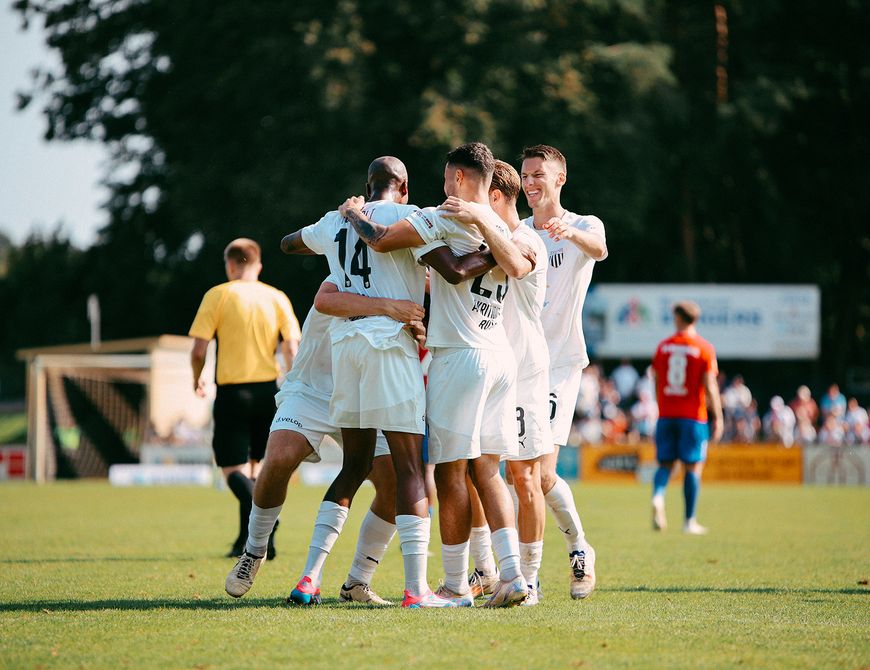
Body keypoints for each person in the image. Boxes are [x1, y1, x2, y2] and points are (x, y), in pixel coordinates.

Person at [340, 142, 534, 608]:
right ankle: (513, 578)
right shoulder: (513, 232)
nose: (443, 187)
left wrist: (353, 214)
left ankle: (453, 584)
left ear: (462, 179)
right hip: (500, 356)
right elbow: (514, 265)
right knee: (489, 471)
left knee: (448, 475)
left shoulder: (439, 217)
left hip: (460, 357)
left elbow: (382, 240)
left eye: (449, 178)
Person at [277, 157, 457, 609]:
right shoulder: (409, 219)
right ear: (404, 186)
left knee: (353, 468)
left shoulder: (334, 221)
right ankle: (416, 591)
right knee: (410, 470)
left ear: (367, 185)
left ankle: (308, 579)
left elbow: (287, 244)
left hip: (347, 351)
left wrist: (336, 225)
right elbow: (452, 268)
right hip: (388, 349)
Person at [224, 276, 425, 605]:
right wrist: (391, 308)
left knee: (393, 483)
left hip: (366, 394)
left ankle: (357, 582)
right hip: (313, 392)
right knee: (279, 457)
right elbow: (325, 299)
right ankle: (254, 551)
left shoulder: (405, 280)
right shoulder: (345, 272)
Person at [439, 159, 552, 606]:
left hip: (520, 370)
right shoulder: (488, 235)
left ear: (495, 197)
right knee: (480, 472)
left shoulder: (525, 238)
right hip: (496, 362)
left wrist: (478, 217)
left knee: (524, 477)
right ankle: (496, 572)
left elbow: (516, 265)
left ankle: (526, 575)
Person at [520, 144, 607, 599]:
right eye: (525, 175)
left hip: (559, 366)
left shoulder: (583, 225)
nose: (530, 182)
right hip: (518, 366)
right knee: (524, 475)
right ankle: (499, 571)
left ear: (560, 179)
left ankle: (570, 553)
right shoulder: (515, 231)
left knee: (540, 471)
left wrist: (568, 235)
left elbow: (601, 248)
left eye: (538, 174)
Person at [189, 238, 301, 557]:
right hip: (269, 392)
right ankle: (251, 543)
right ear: (258, 265)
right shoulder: (276, 297)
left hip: (232, 393)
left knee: (230, 468)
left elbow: (199, 349)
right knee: (257, 470)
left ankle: (264, 518)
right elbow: (291, 347)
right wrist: (292, 383)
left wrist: (196, 378)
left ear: (229, 265)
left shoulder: (218, 295)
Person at [650, 301, 723, 535]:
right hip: (693, 417)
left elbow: (656, 378)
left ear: (678, 318)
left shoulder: (663, 347)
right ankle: (689, 521)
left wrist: (660, 403)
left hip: (666, 414)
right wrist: (718, 416)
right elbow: (710, 385)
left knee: (665, 465)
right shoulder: (704, 348)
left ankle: (658, 496)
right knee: (692, 467)